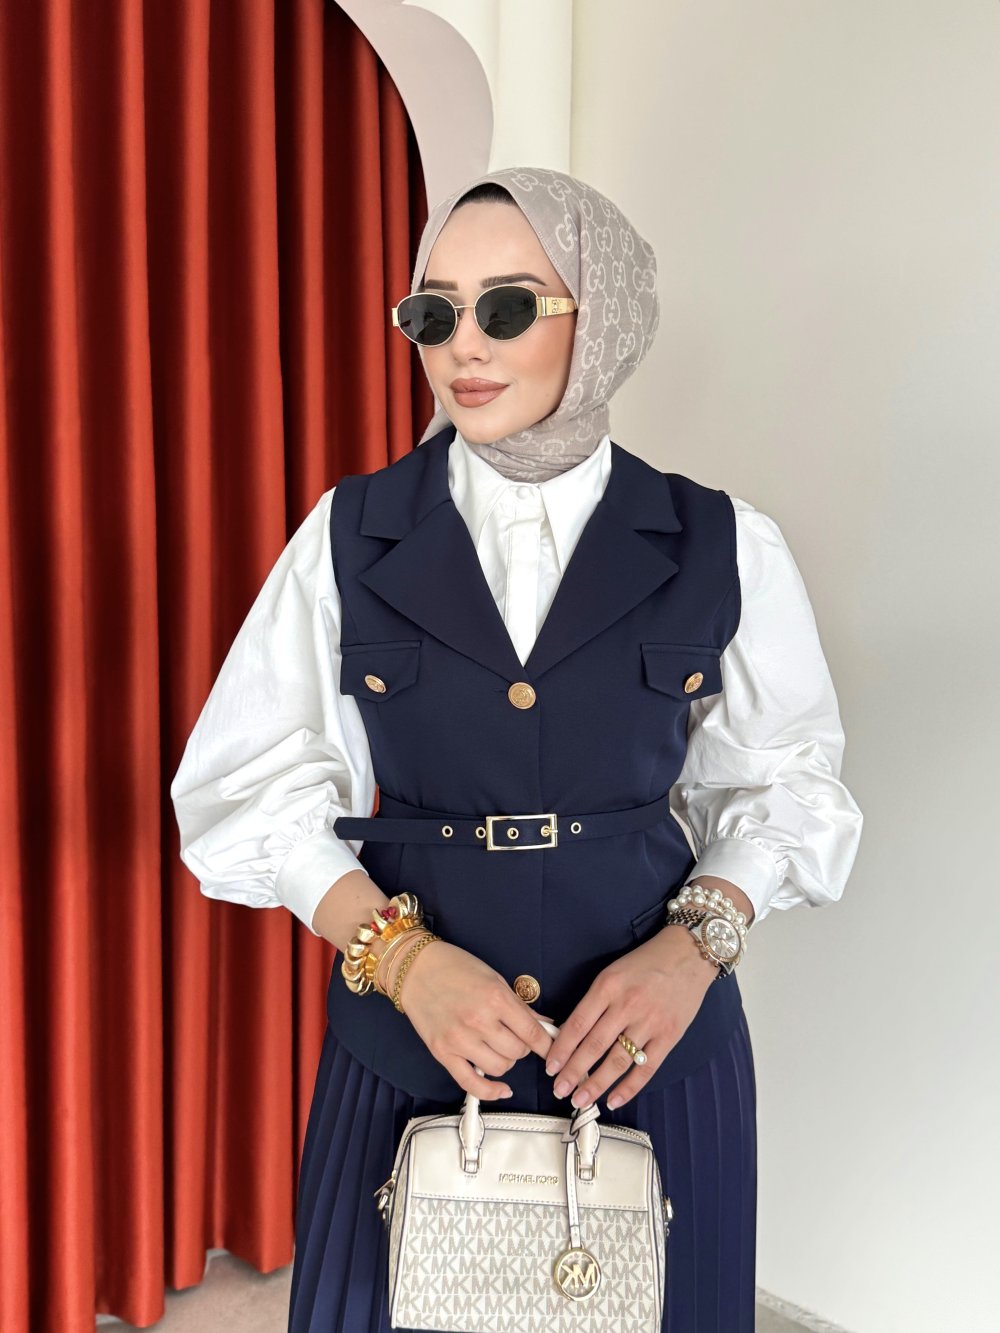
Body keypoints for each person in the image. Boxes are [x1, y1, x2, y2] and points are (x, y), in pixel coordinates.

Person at [170, 166, 864, 1333]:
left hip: (646, 1054)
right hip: (407, 1051)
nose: (462, 347)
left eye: (504, 306)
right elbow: (247, 787)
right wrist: (399, 958)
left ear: (603, 316)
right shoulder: (350, 532)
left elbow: (786, 781)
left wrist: (692, 948)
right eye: (432, 311)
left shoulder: (720, 541)